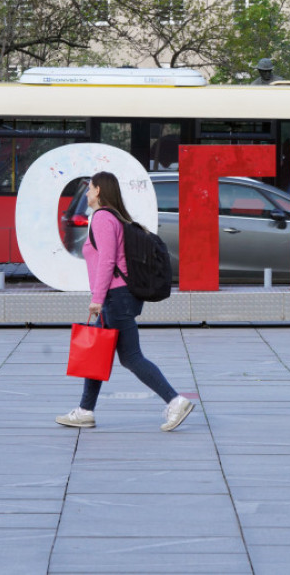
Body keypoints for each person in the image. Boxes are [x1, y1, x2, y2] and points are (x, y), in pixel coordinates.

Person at [56, 171, 194, 432]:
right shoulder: (114, 217)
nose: (87, 193)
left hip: (115, 297)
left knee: (130, 357)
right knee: (98, 353)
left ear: (99, 190)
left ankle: (175, 401)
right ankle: (85, 411)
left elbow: (107, 260)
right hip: (118, 296)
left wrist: (97, 298)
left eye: (90, 188)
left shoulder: (102, 218)